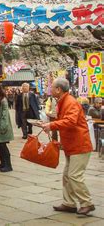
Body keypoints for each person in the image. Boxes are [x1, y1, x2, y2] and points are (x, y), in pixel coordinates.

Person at [40, 78, 95, 216]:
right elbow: (66, 121)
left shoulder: (70, 102)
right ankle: (69, 203)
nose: (50, 89)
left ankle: (86, 203)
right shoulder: (64, 101)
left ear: (59, 89)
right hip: (73, 144)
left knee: (74, 175)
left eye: (52, 87)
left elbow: (70, 121)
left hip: (79, 144)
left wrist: (51, 125)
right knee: (67, 175)